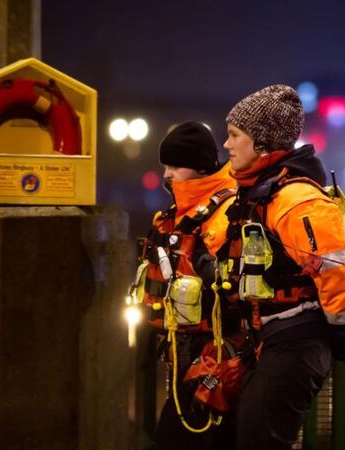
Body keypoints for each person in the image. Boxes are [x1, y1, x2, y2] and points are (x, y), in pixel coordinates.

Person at [214, 85, 345, 450]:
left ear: (263, 145)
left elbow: (334, 273)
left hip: (296, 343)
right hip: (272, 341)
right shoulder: (261, 192)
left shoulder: (296, 200)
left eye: (235, 135)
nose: (227, 145)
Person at [134, 121, 239, 450]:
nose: (167, 174)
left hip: (214, 354)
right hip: (182, 349)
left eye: (175, 166)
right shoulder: (174, 216)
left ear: (200, 167)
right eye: (165, 165)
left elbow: (235, 288)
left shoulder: (224, 214)